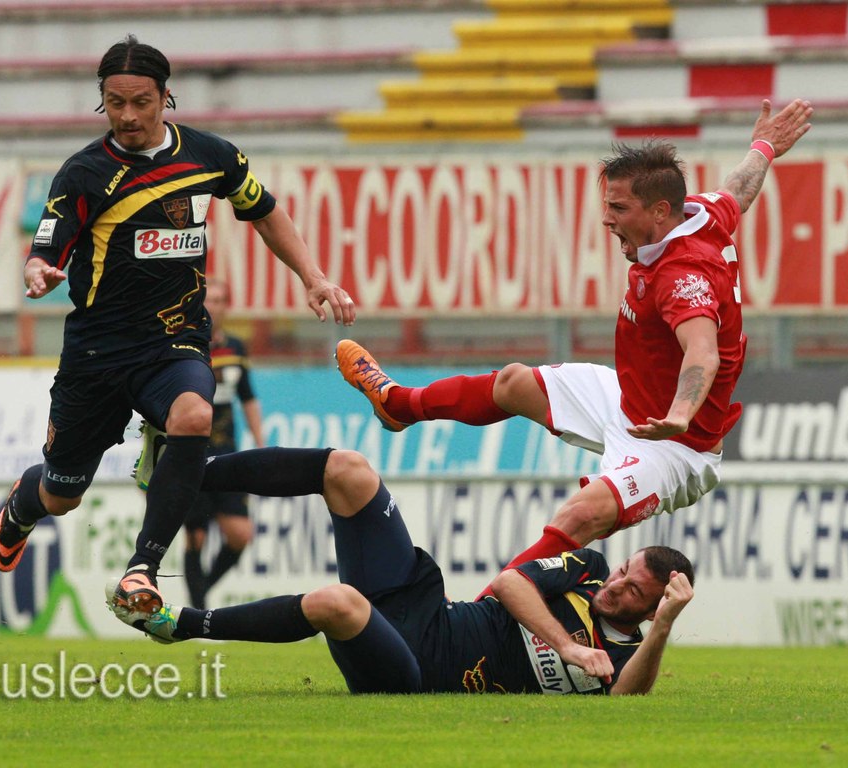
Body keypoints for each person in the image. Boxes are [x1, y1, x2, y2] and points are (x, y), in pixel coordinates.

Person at [336, 98, 812, 592]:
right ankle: (398, 405)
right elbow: (738, 190)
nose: (607, 219)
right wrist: (764, 147)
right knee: (514, 382)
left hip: (674, 444)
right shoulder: (702, 214)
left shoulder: (682, 275)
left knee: (582, 515)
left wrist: (680, 412)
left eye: (619, 208)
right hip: (631, 401)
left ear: (659, 211)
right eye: (608, 205)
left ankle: (475, 621)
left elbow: (702, 352)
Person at [0, 35, 356, 622]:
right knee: (62, 494)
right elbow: (46, 246)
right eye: (115, 103)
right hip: (97, 352)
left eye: (141, 102)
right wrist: (38, 270)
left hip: (175, 338)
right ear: (102, 101)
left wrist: (312, 276)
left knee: (194, 416)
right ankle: (23, 508)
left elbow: (265, 211)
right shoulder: (84, 172)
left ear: (166, 97)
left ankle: (143, 568)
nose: (128, 116)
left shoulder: (210, 156)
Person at [108, 446, 695, 695]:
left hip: (415, 668)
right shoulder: (588, 571)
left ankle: (178, 624)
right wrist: (566, 646)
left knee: (339, 603)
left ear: (651, 611)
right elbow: (510, 582)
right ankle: (182, 473)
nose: (616, 586)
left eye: (633, 592)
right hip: (426, 605)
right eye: (624, 571)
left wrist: (666, 625)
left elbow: (629, 694)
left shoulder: (625, 658)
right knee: (349, 471)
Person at [182, 278, 264, 609]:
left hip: (227, 452)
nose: (212, 306)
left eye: (218, 300)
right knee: (196, 536)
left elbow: (248, 397)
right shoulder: (185, 343)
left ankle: (199, 599)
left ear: (227, 306)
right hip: (191, 452)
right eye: (207, 300)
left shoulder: (236, 348)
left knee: (240, 534)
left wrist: (260, 441)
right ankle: (199, 612)